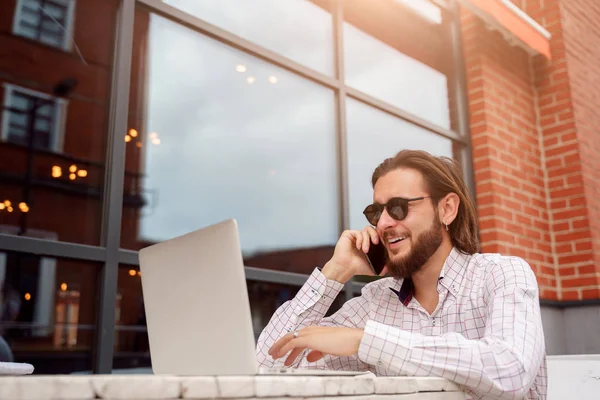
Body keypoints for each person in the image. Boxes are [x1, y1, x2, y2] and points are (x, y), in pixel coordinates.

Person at [256, 150, 547, 400]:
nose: (383, 223)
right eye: (375, 212)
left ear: (446, 209)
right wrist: (335, 271)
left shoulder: (503, 274)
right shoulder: (376, 302)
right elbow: (267, 367)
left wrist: (366, 341)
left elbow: (512, 370)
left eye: (398, 207)